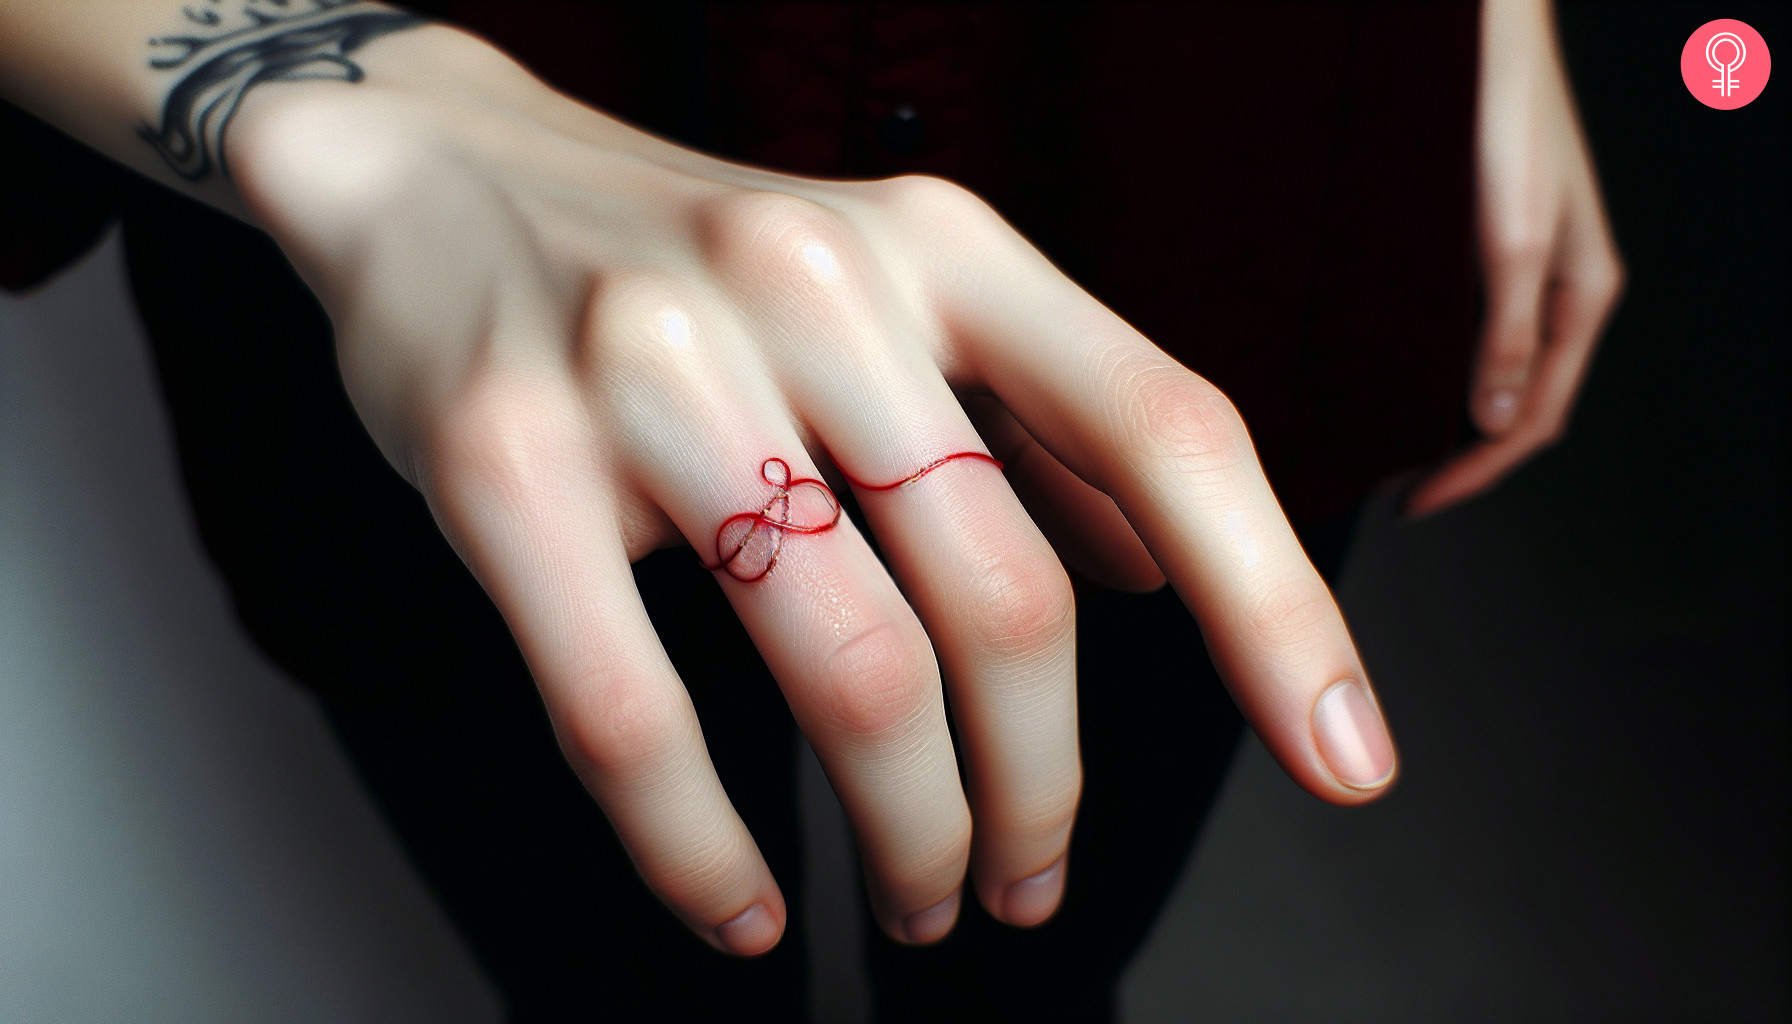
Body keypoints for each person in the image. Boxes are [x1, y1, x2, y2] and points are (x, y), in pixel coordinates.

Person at [0, 1, 1621, 1019]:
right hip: (453, 359)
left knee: (1043, 958)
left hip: (1206, 175)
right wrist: (333, 112)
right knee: (629, 980)